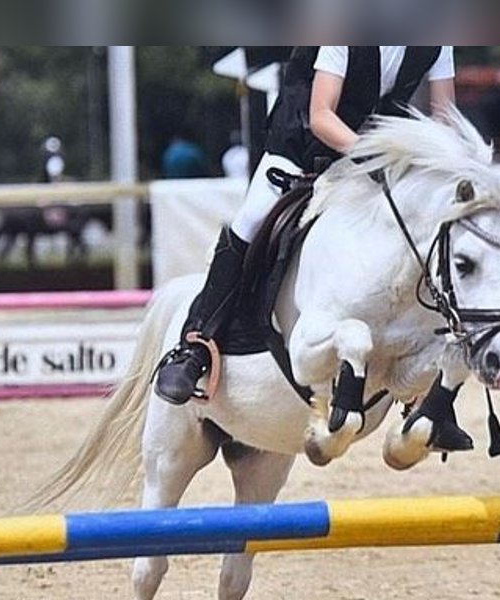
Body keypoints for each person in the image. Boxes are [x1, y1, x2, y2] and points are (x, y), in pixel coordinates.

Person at [153, 46, 456, 405]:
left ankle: (432, 380)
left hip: (369, 159)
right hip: (302, 148)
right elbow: (321, 116)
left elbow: (445, 122)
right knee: (252, 219)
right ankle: (196, 343)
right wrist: (376, 156)